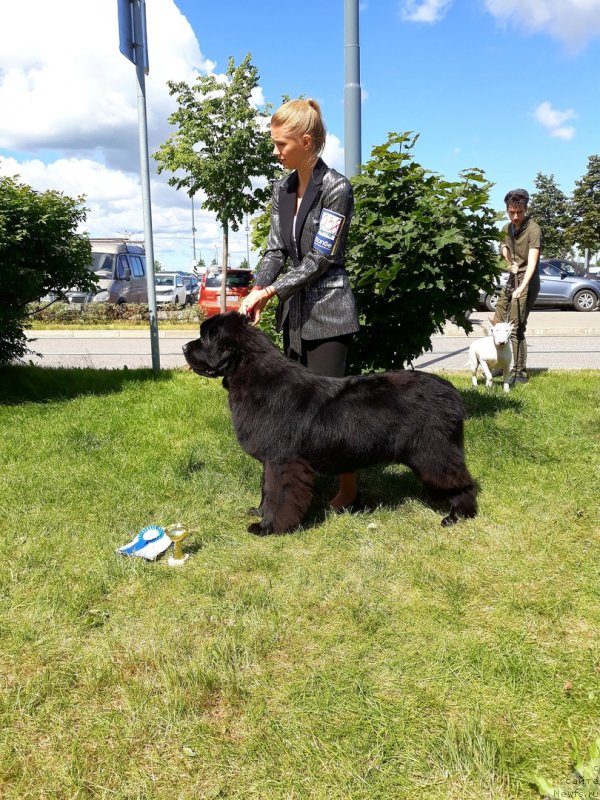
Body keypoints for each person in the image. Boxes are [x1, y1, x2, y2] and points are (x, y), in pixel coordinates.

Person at [240, 98, 360, 510]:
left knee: (333, 412)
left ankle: (347, 492)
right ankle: (285, 498)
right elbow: (275, 250)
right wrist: (256, 290)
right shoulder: (282, 188)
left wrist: (271, 292)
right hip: (294, 315)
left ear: (306, 142)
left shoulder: (337, 188)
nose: (275, 152)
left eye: (280, 144)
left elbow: (321, 258)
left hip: (330, 312)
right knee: (286, 414)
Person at [493, 188, 541, 385]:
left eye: (519, 212)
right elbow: (504, 246)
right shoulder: (506, 228)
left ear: (526, 209)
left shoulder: (533, 229)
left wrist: (522, 287)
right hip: (511, 279)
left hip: (527, 281)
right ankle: (499, 365)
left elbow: (532, 262)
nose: (515, 216)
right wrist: (508, 261)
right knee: (497, 322)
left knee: (516, 327)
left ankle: (519, 371)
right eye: (511, 212)